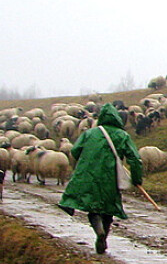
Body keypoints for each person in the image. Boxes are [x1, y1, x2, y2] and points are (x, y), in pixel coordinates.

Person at [58, 103, 143, 254]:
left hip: (89, 175)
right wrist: (136, 179)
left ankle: (99, 231)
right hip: (110, 178)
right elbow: (135, 159)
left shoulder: (90, 133)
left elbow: (75, 151)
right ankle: (104, 235)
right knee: (108, 208)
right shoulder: (122, 135)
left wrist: (86, 159)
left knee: (93, 207)